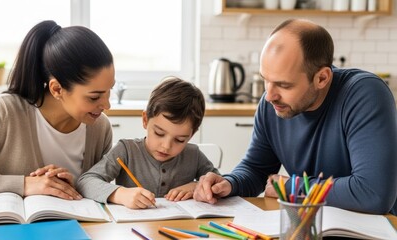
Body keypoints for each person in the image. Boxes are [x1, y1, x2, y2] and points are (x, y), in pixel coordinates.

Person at [193, 18, 397, 215]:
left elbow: (373, 193)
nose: (270, 96)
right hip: (310, 225)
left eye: (284, 85)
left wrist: (292, 187)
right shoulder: (271, 104)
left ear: (321, 78)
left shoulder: (364, 94)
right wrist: (229, 183)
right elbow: (256, 168)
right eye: (266, 80)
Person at [0, 20, 115, 202]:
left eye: (109, 90)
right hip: (7, 229)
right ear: (57, 89)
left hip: (77, 229)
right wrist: (24, 185)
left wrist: (78, 187)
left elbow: (98, 196)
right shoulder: (2, 114)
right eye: (94, 97)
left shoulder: (100, 128)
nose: (107, 105)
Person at [77, 77, 220, 209]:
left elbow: (220, 183)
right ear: (145, 120)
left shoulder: (193, 155)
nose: (166, 146)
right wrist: (120, 194)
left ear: (191, 135)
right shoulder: (126, 150)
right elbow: (86, 182)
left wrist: (196, 186)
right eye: (159, 133)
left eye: (179, 140)